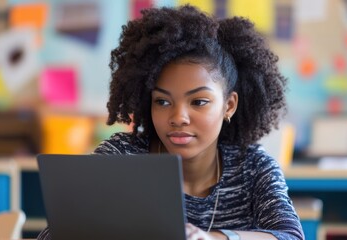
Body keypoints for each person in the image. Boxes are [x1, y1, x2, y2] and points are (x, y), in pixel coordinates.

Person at [37, 5, 304, 240]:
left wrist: (213, 239)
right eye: (162, 102)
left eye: (198, 102)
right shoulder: (122, 158)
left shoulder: (253, 167)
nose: (178, 117)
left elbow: (290, 235)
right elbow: (56, 234)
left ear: (229, 105)